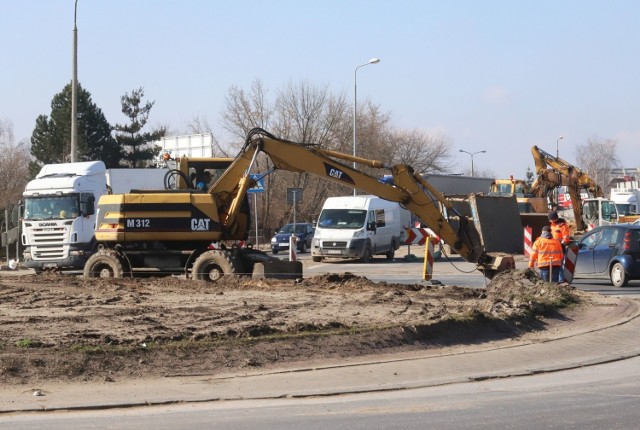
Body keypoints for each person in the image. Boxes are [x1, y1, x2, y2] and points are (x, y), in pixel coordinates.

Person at [548, 211, 571, 282]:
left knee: (560, 265)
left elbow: (566, 237)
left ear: (554, 218)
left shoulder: (562, 226)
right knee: (554, 265)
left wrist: (561, 244)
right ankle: (555, 279)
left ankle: (561, 280)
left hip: (560, 248)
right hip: (552, 248)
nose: (549, 220)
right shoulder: (552, 225)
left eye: (550, 219)